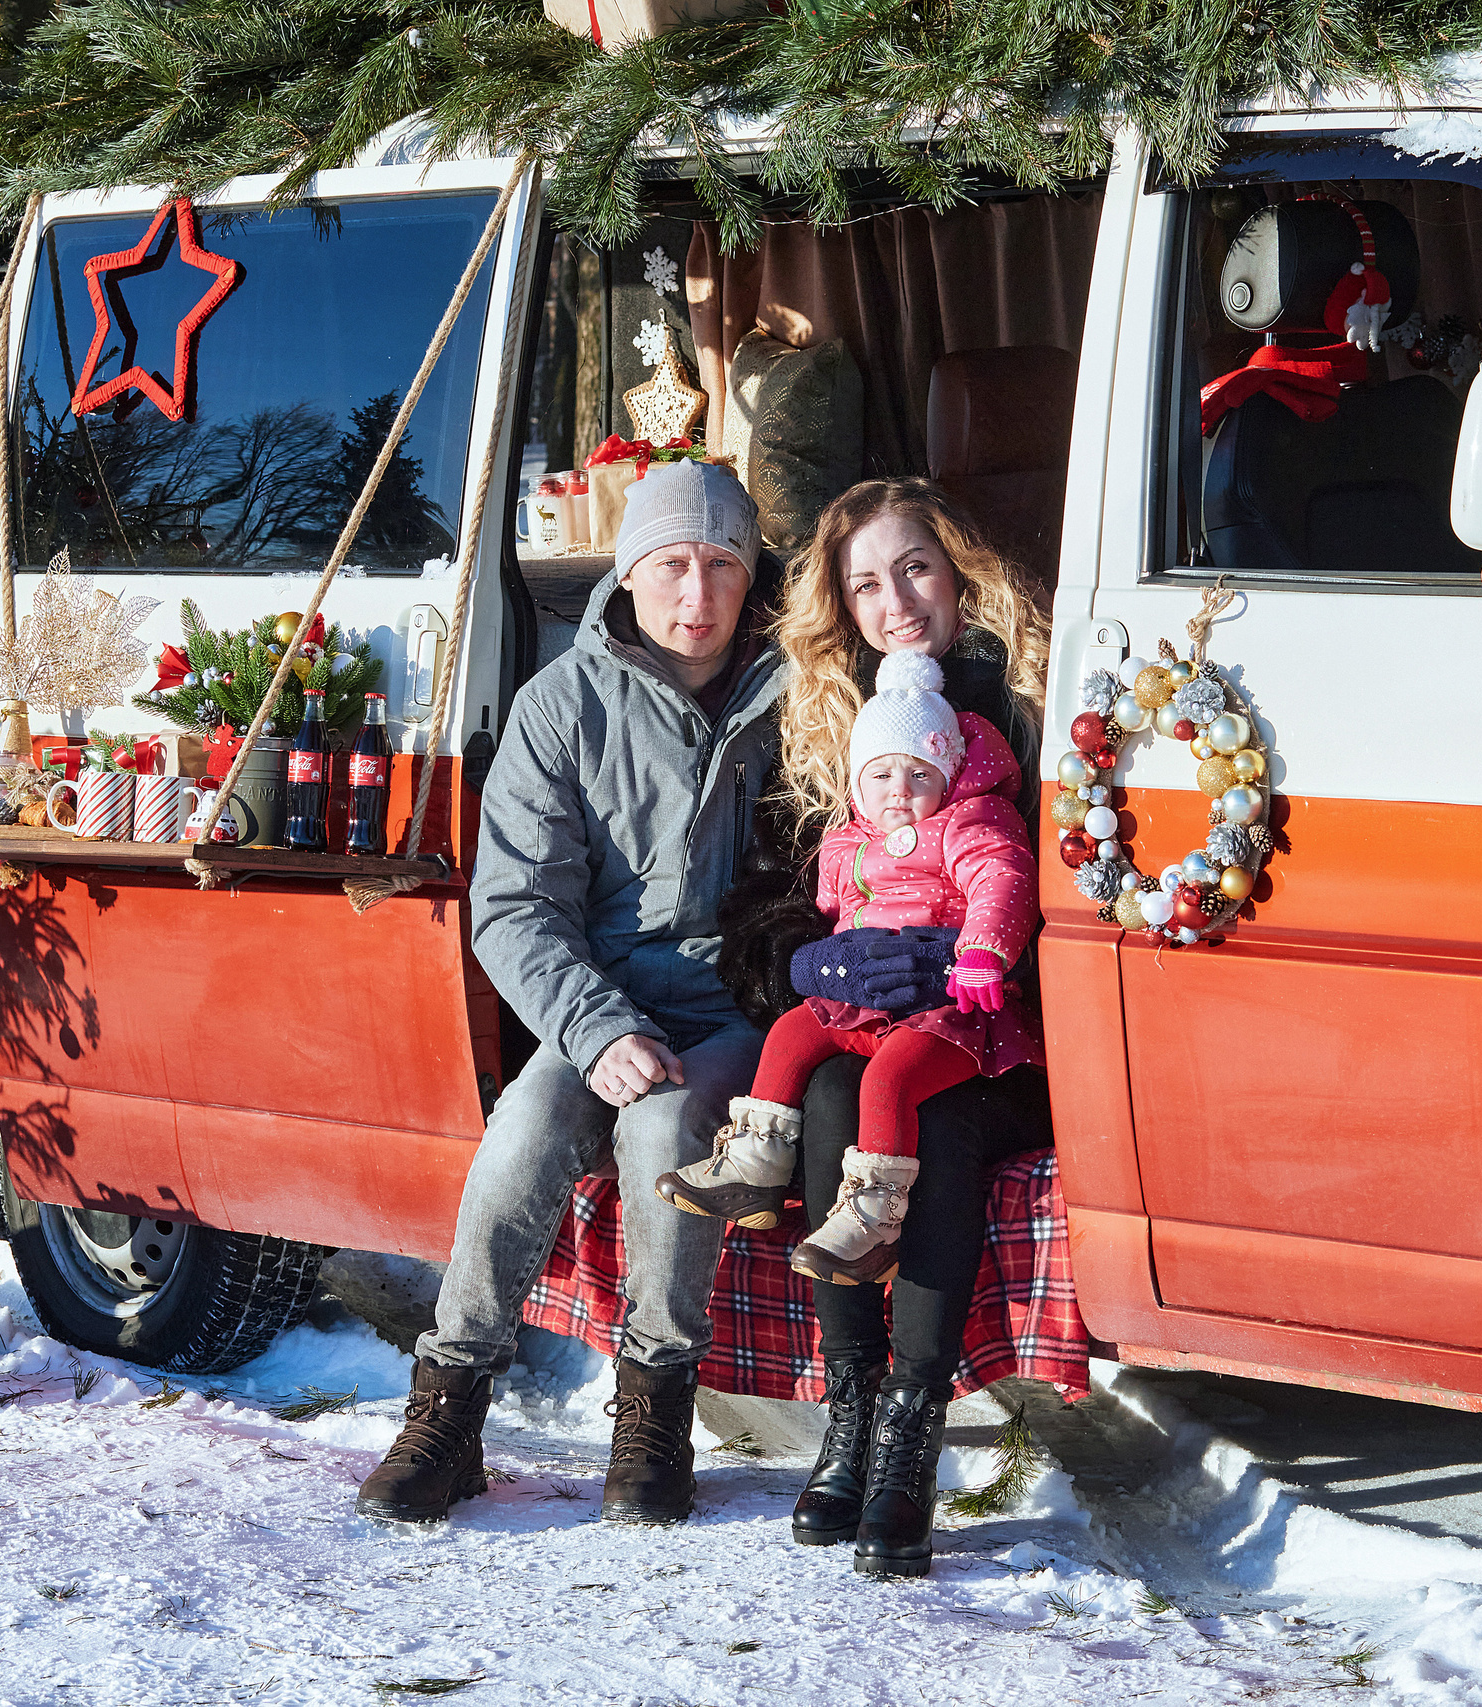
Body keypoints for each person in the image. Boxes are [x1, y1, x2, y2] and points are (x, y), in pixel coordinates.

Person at [355, 459, 781, 1529]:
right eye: (673, 563)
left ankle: (654, 1414)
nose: (698, 593)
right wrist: (594, 1028)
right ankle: (447, 1412)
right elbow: (512, 905)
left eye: (722, 564)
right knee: (524, 1128)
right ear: (630, 573)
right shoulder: (564, 704)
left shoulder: (801, 692)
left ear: (751, 574)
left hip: (736, 1005)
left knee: (667, 1129)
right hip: (598, 998)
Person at [713, 478, 1053, 1579]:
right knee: (820, 1097)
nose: (894, 601)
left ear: (958, 568)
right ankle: (850, 1410)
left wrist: (978, 968)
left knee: (933, 1123)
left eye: (912, 567)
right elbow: (768, 896)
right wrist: (800, 955)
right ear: (840, 606)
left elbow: (1054, 878)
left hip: (1001, 1029)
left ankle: (910, 1431)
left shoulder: (1032, 695)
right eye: (864, 583)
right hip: (865, 1016)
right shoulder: (824, 718)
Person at [654, 649, 1042, 1287]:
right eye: (882, 775)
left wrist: (981, 953)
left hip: (947, 1007)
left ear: (946, 779)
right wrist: (824, 959)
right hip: (869, 997)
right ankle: (756, 1165)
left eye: (919, 775)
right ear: (858, 785)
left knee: (887, 1081)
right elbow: (830, 910)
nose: (900, 792)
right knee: (791, 1035)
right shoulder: (845, 842)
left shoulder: (966, 825)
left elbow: (1002, 879)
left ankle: (874, 1218)